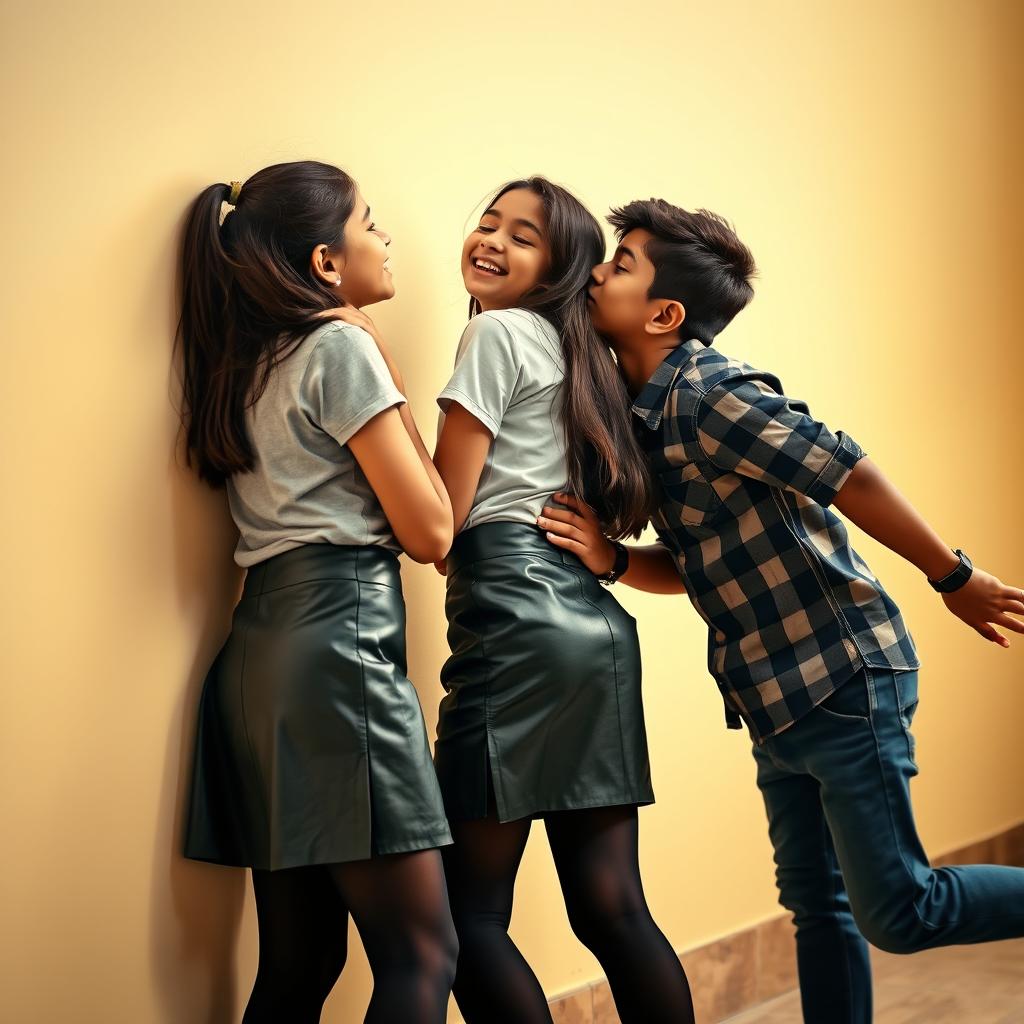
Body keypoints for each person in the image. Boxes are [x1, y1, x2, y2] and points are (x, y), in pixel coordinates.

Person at [540, 195, 1024, 1023]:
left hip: (841, 675)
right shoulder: (646, 416)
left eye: (620, 265)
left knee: (902, 912)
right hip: (772, 697)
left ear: (665, 313)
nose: (596, 273)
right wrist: (616, 561)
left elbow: (851, 473)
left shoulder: (711, 393)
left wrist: (953, 577)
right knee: (818, 904)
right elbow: (704, 566)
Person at [178, 160, 457, 1024]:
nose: (385, 237)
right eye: (370, 222)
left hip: (258, 659)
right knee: (422, 954)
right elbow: (433, 532)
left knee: (299, 962)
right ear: (327, 264)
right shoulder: (337, 347)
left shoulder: (240, 363)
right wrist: (377, 355)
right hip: (339, 650)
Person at [432, 177, 694, 1024]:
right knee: (614, 911)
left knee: (462, 917)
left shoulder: (499, 334)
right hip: (593, 629)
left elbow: (443, 512)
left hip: (513, 619)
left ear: (561, 268)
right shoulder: (574, 354)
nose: (494, 241)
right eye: (488, 222)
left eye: (524, 236)